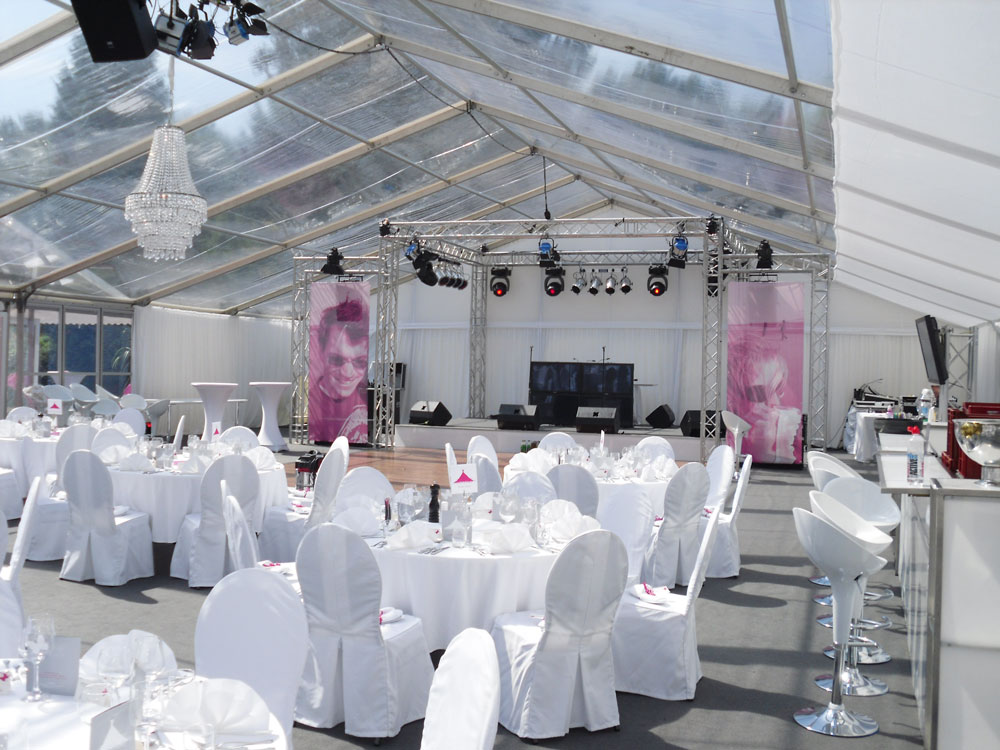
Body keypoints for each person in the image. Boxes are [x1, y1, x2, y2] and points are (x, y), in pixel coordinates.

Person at [309, 284, 370, 443]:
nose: (347, 372)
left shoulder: (362, 397)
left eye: (359, 362)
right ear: (321, 352)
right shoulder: (315, 404)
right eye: (337, 360)